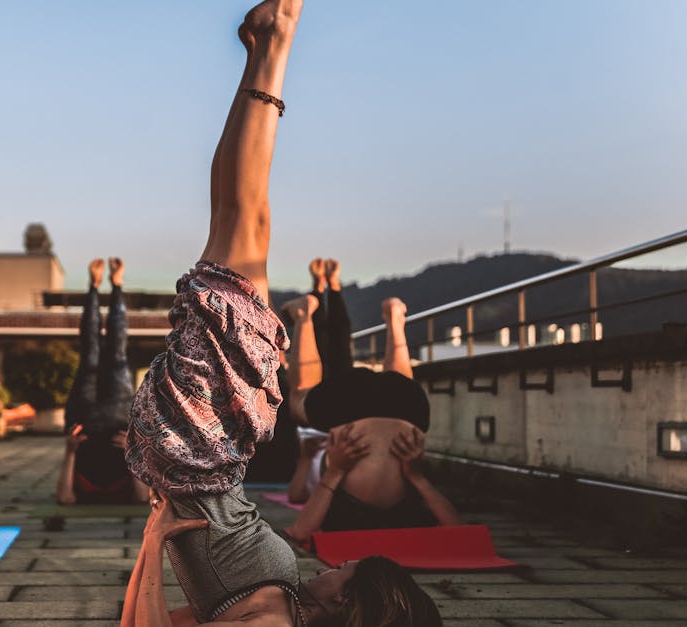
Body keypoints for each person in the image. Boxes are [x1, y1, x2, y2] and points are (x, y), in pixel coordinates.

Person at [121, 3, 441, 625]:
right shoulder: (285, 609)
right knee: (241, 225)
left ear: (351, 606)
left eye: (344, 574)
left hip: (197, 448)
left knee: (244, 226)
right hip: (212, 451)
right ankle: (267, 51)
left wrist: (155, 546)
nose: (331, 567)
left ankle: (274, 44)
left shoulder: (270, 621)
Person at [282, 289, 462, 541]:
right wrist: (416, 476)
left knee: (399, 388)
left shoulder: (408, 511)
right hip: (351, 417)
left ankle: (395, 320)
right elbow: (301, 533)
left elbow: (459, 532)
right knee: (300, 397)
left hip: (406, 411)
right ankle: (303, 315)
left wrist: (336, 470)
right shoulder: (345, 512)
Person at [57, 258, 149, 505]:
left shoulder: (83, 489)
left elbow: (65, 499)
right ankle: (115, 285)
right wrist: (133, 450)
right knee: (114, 352)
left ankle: (95, 287)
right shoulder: (125, 491)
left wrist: (69, 451)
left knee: (92, 351)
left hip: (83, 422)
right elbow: (143, 498)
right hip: (118, 421)